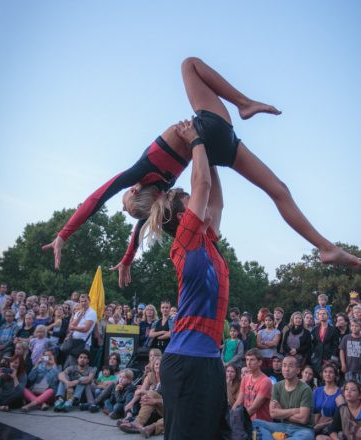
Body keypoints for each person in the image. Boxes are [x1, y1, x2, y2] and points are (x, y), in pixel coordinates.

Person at [43, 57, 361, 286]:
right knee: (189, 65)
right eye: (126, 203)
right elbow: (96, 198)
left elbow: (138, 231)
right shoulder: (141, 174)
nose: (123, 201)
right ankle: (245, 103)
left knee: (278, 189)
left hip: (215, 149)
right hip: (208, 129)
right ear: (135, 192)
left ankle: (325, 248)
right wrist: (62, 234)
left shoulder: (164, 195)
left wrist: (128, 260)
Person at [155, 126, 230, 440]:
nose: (201, 203)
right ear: (182, 215)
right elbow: (202, 182)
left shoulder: (207, 242)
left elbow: (217, 202)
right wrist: (196, 139)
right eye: (192, 202)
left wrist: (210, 154)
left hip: (210, 361)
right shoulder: (185, 240)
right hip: (186, 361)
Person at [253, 355, 314, 440]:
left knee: (307, 436)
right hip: (282, 426)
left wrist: (281, 411)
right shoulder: (277, 386)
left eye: (290, 366)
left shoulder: (305, 389)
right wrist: (294, 410)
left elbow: (303, 419)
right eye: (284, 365)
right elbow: (273, 414)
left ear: (298, 370)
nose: (286, 369)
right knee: (255, 423)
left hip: (302, 429)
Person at [232, 348, 272, 421]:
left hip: (261, 423)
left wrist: (236, 419)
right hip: (247, 419)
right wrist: (231, 415)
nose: (248, 363)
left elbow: (254, 408)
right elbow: (238, 402)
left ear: (260, 362)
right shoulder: (245, 378)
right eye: (247, 359)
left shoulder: (265, 381)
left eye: (252, 360)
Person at [313, 363, 342, 435]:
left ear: (335, 375)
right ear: (322, 374)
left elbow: (342, 416)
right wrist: (316, 425)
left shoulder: (341, 393)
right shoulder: (317, 391)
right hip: (316, 425)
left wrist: (323, 425)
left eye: (331, 372)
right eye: (325, 371)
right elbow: (313, 411)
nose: (328, 374)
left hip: (333, 427)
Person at [311, 308, 339, 379]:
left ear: (327, 315)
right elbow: (313, 344)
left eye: (324, 314)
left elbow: (336, 345)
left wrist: (332, 358)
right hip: (318, 359)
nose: (322, 315)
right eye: (320, 314)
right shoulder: (315, 329)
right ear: (318, 316)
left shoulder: (333, 329)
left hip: (329, 358)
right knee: (319, 379)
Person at [339, 318, 361, 385]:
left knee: (360, 388)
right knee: (349, 386)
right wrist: (343, 364)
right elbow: (342, 351)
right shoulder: (346, 338)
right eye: (352, 326)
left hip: (360, 370)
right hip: (349, 368)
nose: (354, 328)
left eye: (356, 326)